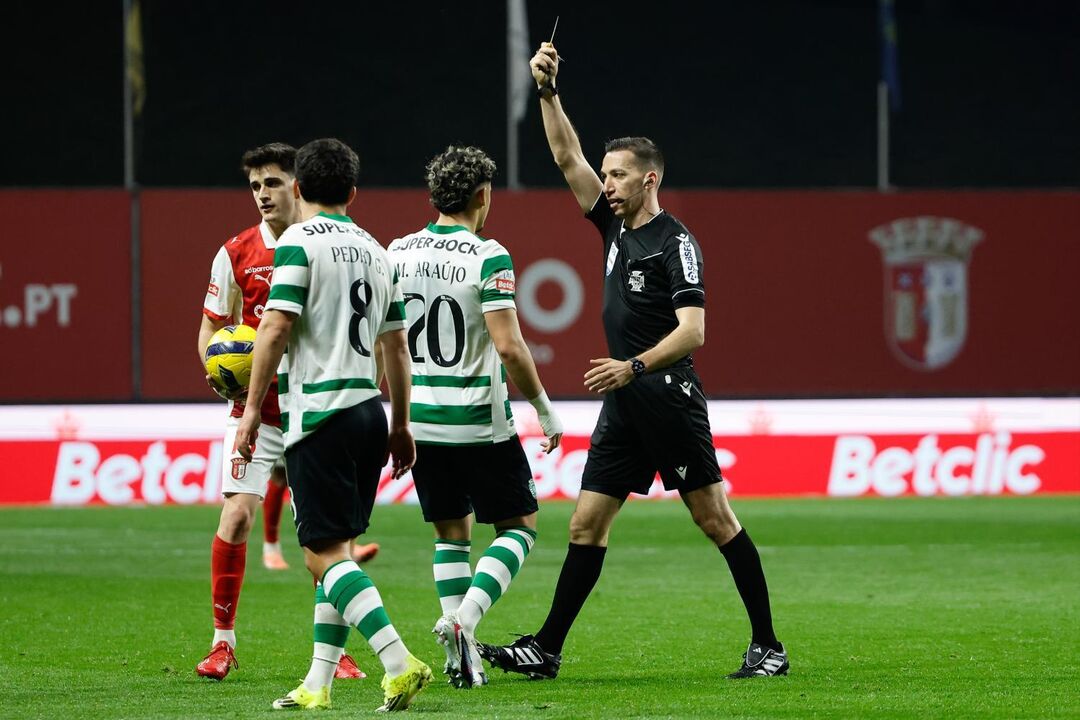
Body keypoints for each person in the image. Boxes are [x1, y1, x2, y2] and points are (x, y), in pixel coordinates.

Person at [479, 43, 788, 680]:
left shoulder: (677, 243)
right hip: (625, 404)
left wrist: (634, 367)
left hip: (667, 397)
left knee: (713, 518)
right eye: (606, 175)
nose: (606, 184)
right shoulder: (614, 228)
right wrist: (547, 92)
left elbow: (694, 331)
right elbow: (565, 156)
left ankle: (769, 646)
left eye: (617, 175)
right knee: (585, 524)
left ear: (649, 179)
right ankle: (547, 648)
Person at [235, 138, 432, 712]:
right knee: (339, 550)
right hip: (369, 413)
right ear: (353, 192)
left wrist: (252, 409)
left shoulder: (296, 243)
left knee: (320, 557)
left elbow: (274, 327)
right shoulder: (376, 250)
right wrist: (401, 424)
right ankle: (317, 683)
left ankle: (398, 661)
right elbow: (396, 346)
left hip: (320, 415)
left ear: (297, 188)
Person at [386, 146, 564, 689]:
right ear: (482, 196)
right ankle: (463, 621)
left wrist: (394, 416)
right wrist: (544, 410)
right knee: (520, 527)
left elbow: (385, 341)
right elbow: (509, 346)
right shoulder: (489, 255)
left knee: (451, 533)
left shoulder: (396, 252)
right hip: (478, 420)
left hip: (420, 420)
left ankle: (460, 660)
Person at [195, 143, 368, 681]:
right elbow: (210, 328)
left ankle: (335, 653)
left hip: (313, 407)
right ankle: (222, 643)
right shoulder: (235, 252)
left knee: (327, 538)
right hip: (258, 411)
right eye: (254, 186)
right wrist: (220, 372)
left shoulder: (323, 245)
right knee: (236, 516)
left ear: (296, 185)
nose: (262, 195)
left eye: (271, 183)